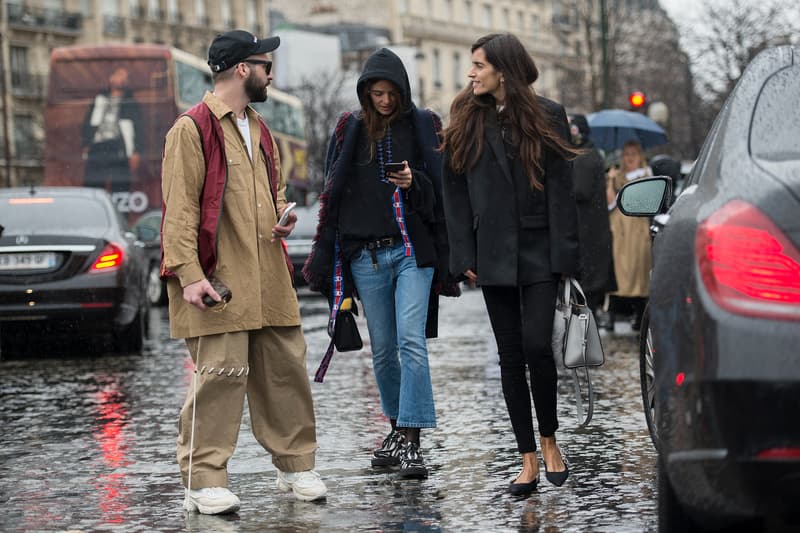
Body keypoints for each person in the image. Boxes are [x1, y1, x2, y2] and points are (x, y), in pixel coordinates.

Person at [160, 29, 327, 515]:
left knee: (285, 373)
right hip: (218, 281)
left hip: (269, 279)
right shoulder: (190, 129)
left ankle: (296, 465)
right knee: (220, 375)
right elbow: (180, 212)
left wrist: (283, 214)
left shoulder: (262, 130)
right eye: (265, 65)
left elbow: (270, 194)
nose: (271, 73)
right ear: (241, 69)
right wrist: (190, 277)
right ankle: (202, 479)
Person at [303, 48, 453, 479]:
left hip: (410, 252)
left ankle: (411, 440)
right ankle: (396, 428)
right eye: (376, 93)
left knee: (411, 341)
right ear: (365, 93)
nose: (384, 101)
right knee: (384, 351)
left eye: (391, 93)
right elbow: (334, 192)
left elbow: (440, 193)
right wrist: (339, 261)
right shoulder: (350, 129)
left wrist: (414, 182)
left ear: (402, 92)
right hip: (366, 257)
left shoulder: (422, 126)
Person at [441, 33, 580, 496]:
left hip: (540, 249)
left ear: (504, 69)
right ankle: (526, 457)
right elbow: (454, 193)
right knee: (509, 355)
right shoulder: (465, 117)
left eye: (479, 65)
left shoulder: (549, 115)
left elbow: (562, 189)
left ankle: (550, 439)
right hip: (492, 253)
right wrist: (464, 256)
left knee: (539, 346)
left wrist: (565, 258)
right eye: (471, 64)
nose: (471, 73)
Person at [568, 114, 614, 320]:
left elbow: (580, 190)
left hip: (587, 233)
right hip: (591, 234)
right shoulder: (590, 153)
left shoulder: (584, 157)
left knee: (586, 293)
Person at [605, 139, 653, 331]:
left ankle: (639, 314)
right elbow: (609, 204)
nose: (629, 158)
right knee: (617, 273)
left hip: (637, 230)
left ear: (639, 156)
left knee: (639, 272)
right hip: (619, 232)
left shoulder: (646, 175)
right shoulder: (617, 177)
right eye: (626, 154)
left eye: (633, 154)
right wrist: (610, 179)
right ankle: (612, 314)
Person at [81, 66, 142, 192]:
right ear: (111, 78)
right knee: (94, 185)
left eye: (125, 77)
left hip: (118, 147)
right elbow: (87, 123)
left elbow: (138, 128)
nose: (122, 79)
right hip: (97, 148)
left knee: (120, 186)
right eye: (119, 75)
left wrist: (136, 151)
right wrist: (86, 143)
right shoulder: (99, 99)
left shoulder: (130, 102)